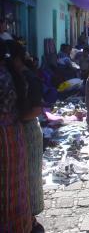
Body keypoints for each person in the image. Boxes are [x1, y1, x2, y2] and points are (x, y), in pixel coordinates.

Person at [6, 40, 45, 232]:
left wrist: (15, 120)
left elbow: (37, 109)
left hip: (27, 130)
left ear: (15, 58)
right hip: (19, 129)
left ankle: (30, 216)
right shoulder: (14, 76)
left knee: (29, 174)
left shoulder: (27, 77)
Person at [0, 40, 32, 233]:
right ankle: (20, 224)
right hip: (13, 132)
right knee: (14, 182)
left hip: (5, 133)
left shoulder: (4, 76)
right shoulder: (13, 74)